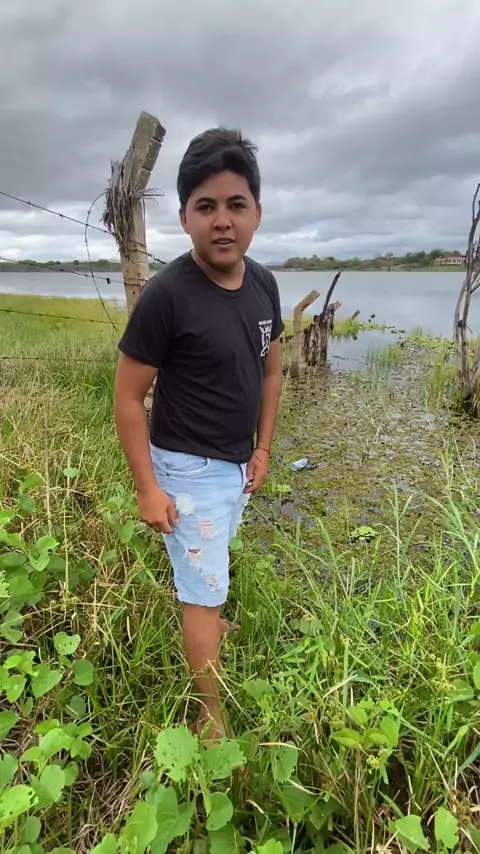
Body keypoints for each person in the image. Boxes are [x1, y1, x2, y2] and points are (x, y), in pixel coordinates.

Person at [113, 128, 284, 740]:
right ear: (184, 217)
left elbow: (271, 371)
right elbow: (128, 397)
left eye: (236, 204)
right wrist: (147, 488)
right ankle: (210, 712)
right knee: (202, 594)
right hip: (187, 469)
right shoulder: (167, 297)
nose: (222, 221)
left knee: (211, 565)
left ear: (257, 212)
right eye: (205, 206)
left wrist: (262, 448)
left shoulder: (263, 283)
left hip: (237, 465)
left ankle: (209, 614)